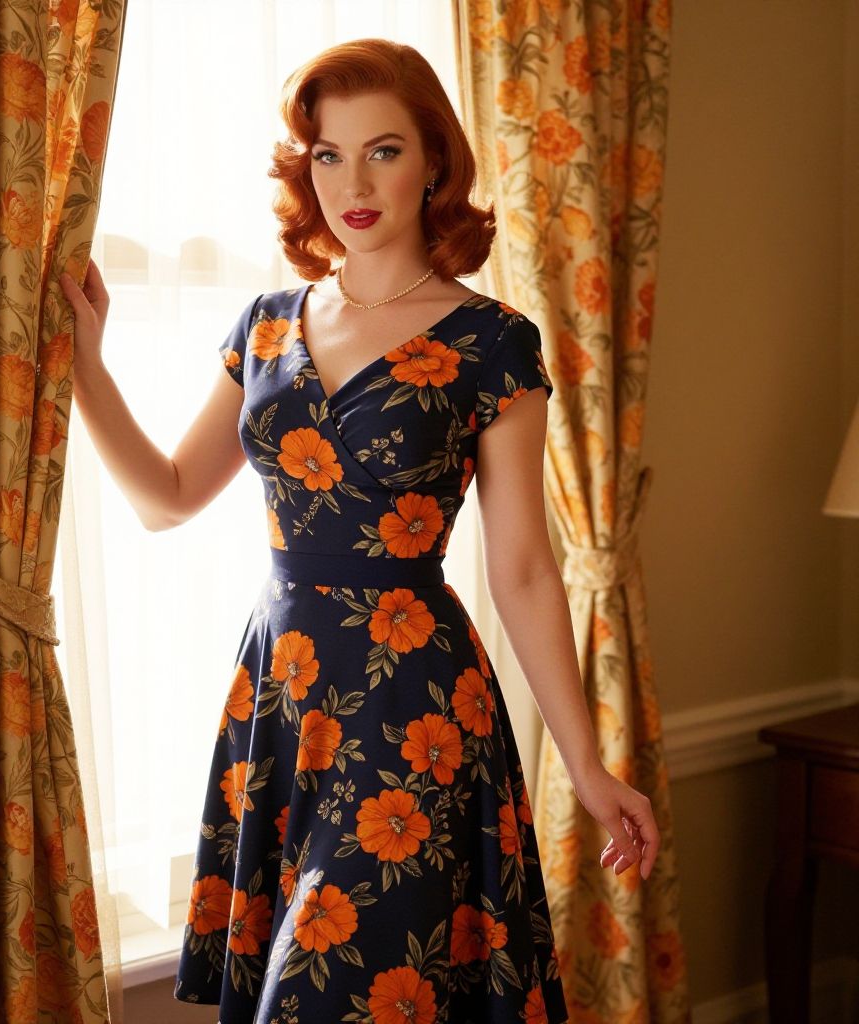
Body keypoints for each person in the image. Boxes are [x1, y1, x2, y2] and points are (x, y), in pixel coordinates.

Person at [61, 35, 659, 1024]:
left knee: (360, 991)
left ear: (433, 161)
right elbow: (166, 496)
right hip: (285, 694)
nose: (352, 180)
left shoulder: (490, 339)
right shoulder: (264, 325)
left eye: (382, 149)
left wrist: (589, 766)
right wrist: (88, 367)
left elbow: (521, 571)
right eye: (326, 155)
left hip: (415, 713)